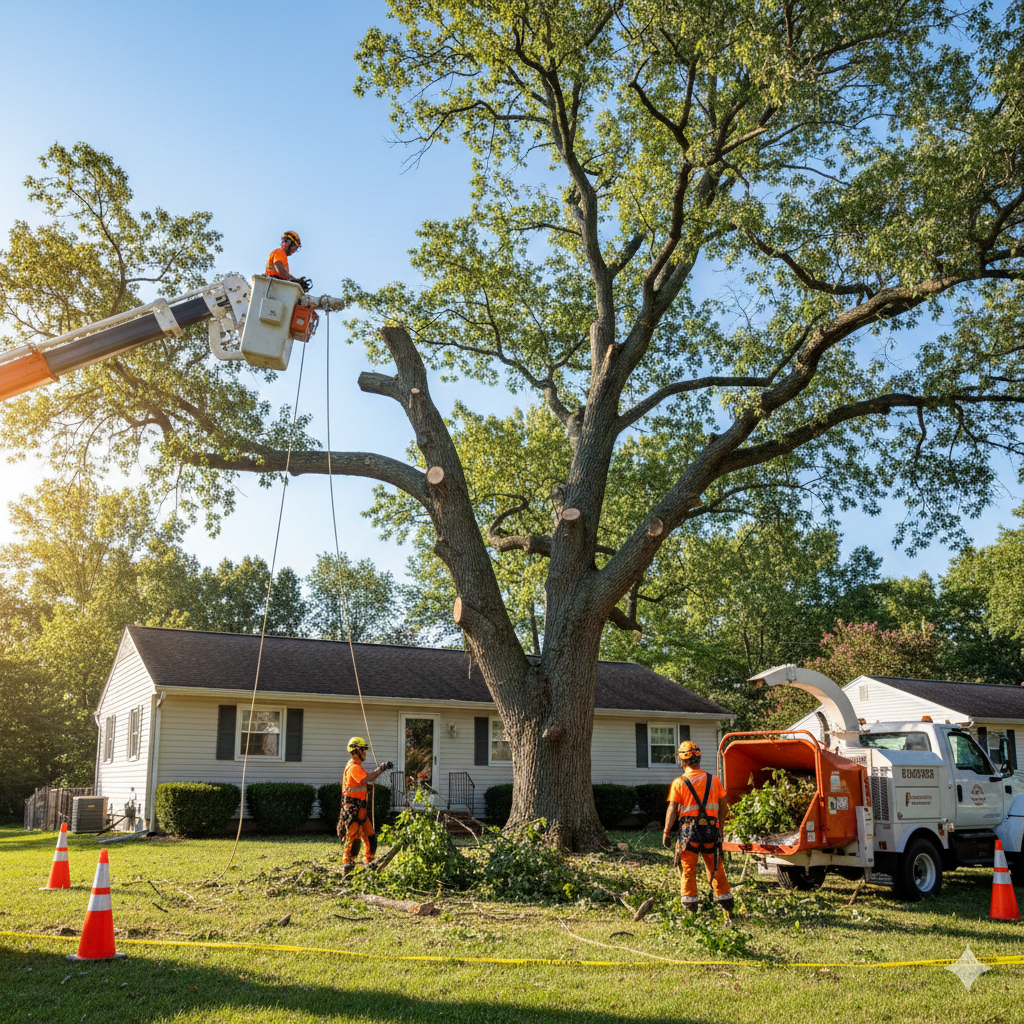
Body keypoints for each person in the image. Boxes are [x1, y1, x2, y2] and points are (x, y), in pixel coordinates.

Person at [663, 740, 734, 916]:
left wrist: (666, 832)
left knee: (688, 870)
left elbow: (672, 809)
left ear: (682, 761)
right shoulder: (714, 780)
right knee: (716, 867)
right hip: (711, 831)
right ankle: (726, 906)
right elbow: (723, 805)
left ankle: (690, 909)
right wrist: (721, 826)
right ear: (699, 759)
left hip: (689, 835)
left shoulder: (679, 783)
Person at [339, 736, 392, 879]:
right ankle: (348, 867)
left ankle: (369, 864)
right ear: (356, 750)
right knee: (354, 839)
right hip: (352, 809)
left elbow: (361, 783)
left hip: (361, 809)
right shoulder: (353, 767)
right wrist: (382, 768)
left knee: (371, 838)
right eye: (363, 749)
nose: (365, 753)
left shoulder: (358, 767)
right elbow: (366, 778)